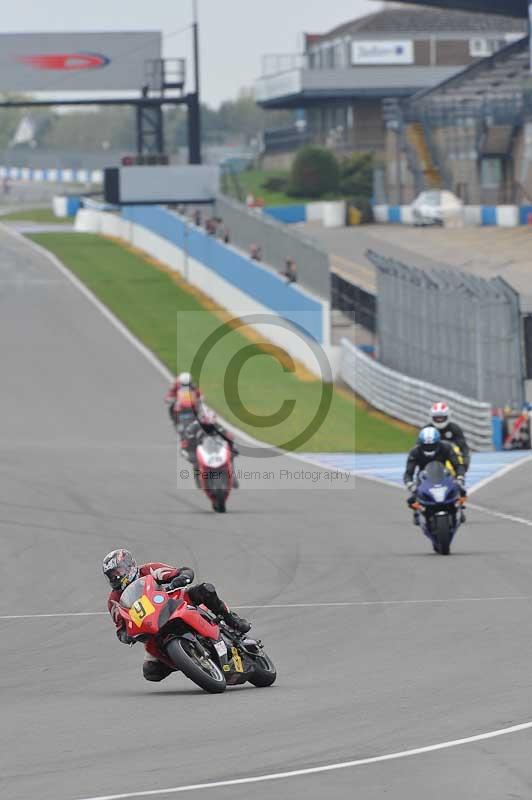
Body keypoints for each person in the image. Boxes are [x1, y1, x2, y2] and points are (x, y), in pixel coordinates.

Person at [103, 549, 251, 682]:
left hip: (174, 603)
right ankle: (186, 660)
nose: (115, 577)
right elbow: (120, 629)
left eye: (118, 571)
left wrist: (181, 577)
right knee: (151, 672)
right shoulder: (114, 601)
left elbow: (180, 572)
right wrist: (126, 635)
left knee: (205, 590)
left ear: (130, 565)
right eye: (111, 575)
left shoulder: (149, 569)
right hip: (152, 628)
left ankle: (232, 620)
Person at [404, 426, 466, 526]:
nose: (429, 448)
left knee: (460, 489)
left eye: (432, 445)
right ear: (421, 444)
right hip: (423, 477)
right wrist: (410, 484)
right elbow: (408, 472)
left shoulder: (446, 447)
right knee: (412, 499)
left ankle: (458, 507)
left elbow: (458, 465)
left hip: (444, 474)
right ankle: (418, 511)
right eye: (426, 446)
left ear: (437, 442)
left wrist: (460, 477)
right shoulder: (415, 452)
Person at [183, 407, 240, 488]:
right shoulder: (193, 427)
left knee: (230, 457)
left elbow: (228, 437)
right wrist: (187, 450)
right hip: (199, 449)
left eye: (211, 424)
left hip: (216, 448)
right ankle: (198, 479)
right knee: (195, 462)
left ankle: (232, 477)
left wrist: (233, 448)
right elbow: (186, 440)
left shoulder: (218, 426)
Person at [430, 402, 470, 471]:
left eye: (441, 417)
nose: (439, 420)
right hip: (432, 458)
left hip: (451, 458)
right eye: (437, 418)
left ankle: (457, 474)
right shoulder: (428, 430)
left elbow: (463, 447)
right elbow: (418, 448)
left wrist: (464, 462)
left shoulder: (455, 429)